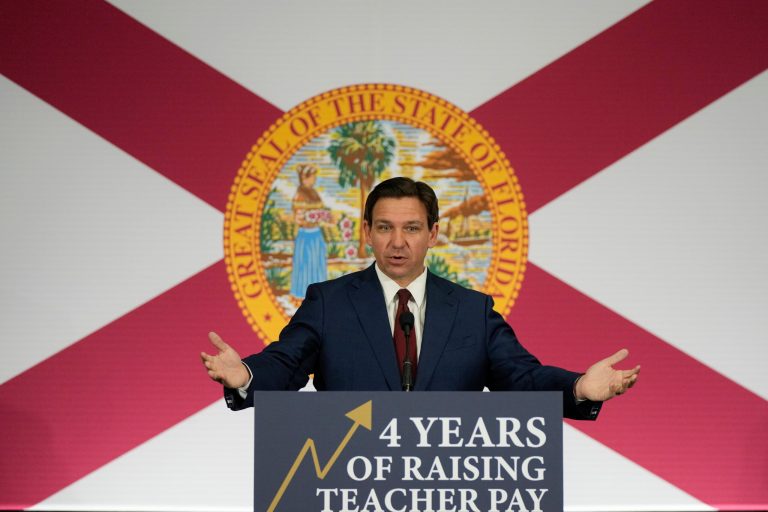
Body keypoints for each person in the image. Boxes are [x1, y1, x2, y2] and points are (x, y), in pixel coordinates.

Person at [202, 177, 639, 419]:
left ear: (432, 234)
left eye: (411, 228)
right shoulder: (329, 302)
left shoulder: (473, 311)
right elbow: (284, 364)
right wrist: (243, 375)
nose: (397, 242)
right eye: (384, 227)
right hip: (346, 485)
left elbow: (522, 379)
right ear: (367, 234)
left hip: (447, 491)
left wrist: (579, 386)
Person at [289, 164, 328, 299]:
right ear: (304, 178)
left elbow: (321, 211)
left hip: (316, 234)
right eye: (312, 177)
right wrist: (308, 217)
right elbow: (298, 217)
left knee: (317, 264)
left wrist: (322, 216)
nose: (314, 180)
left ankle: (319, 295)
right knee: (305, 264)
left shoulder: (314, 193)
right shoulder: (299, 195)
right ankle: (301, 294)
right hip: (305, 235)